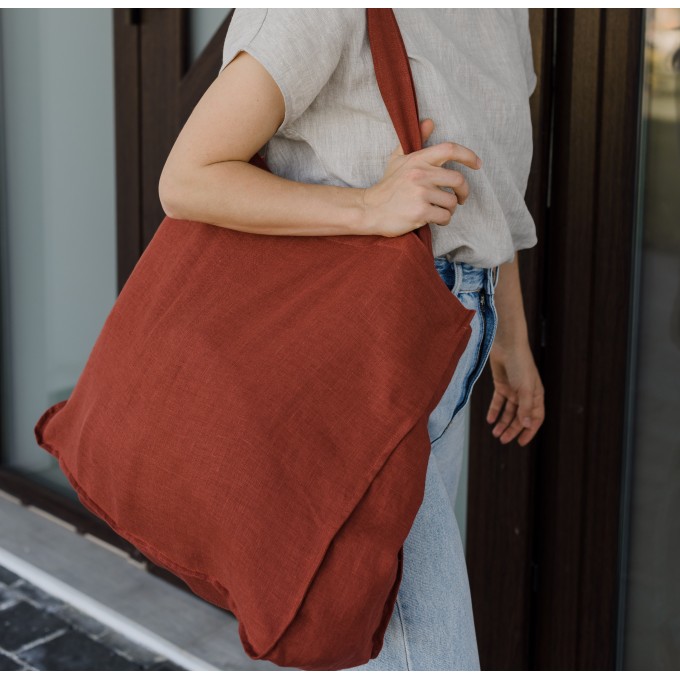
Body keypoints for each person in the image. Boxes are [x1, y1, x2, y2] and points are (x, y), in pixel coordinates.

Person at [158, 8, 545, 671]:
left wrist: (510, 329)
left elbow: (487, 187)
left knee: (363, 627)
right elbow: (187, 177)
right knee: (414, 641)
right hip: (363, 348)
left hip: (454, 335)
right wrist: (370, 207)